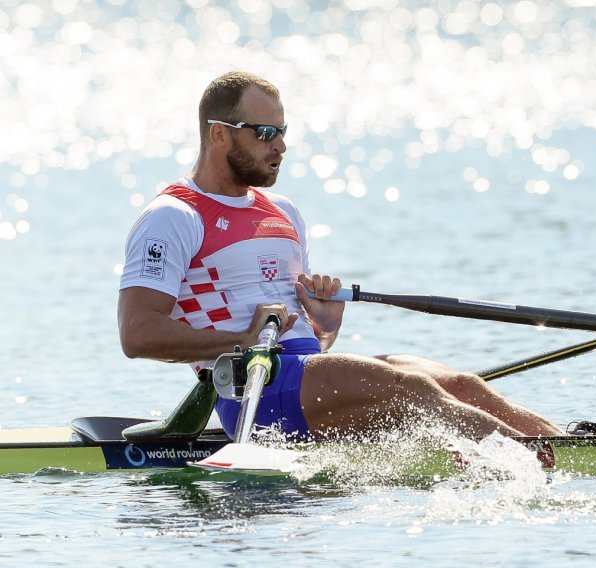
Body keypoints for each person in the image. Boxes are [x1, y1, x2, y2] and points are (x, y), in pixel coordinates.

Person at [117, 71, 564, 442]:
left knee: (461, 385)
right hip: (254, 393)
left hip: (303, 380)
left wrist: (325, 323)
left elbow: (313, 343)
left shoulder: (283, 211)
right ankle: (535, 463)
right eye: (265, 134)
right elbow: (137, 335)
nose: (280, 147)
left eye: (283, 133)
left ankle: (569, 447)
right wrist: (243, 338)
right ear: (219, 134)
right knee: (411, 389)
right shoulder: (173, 217)